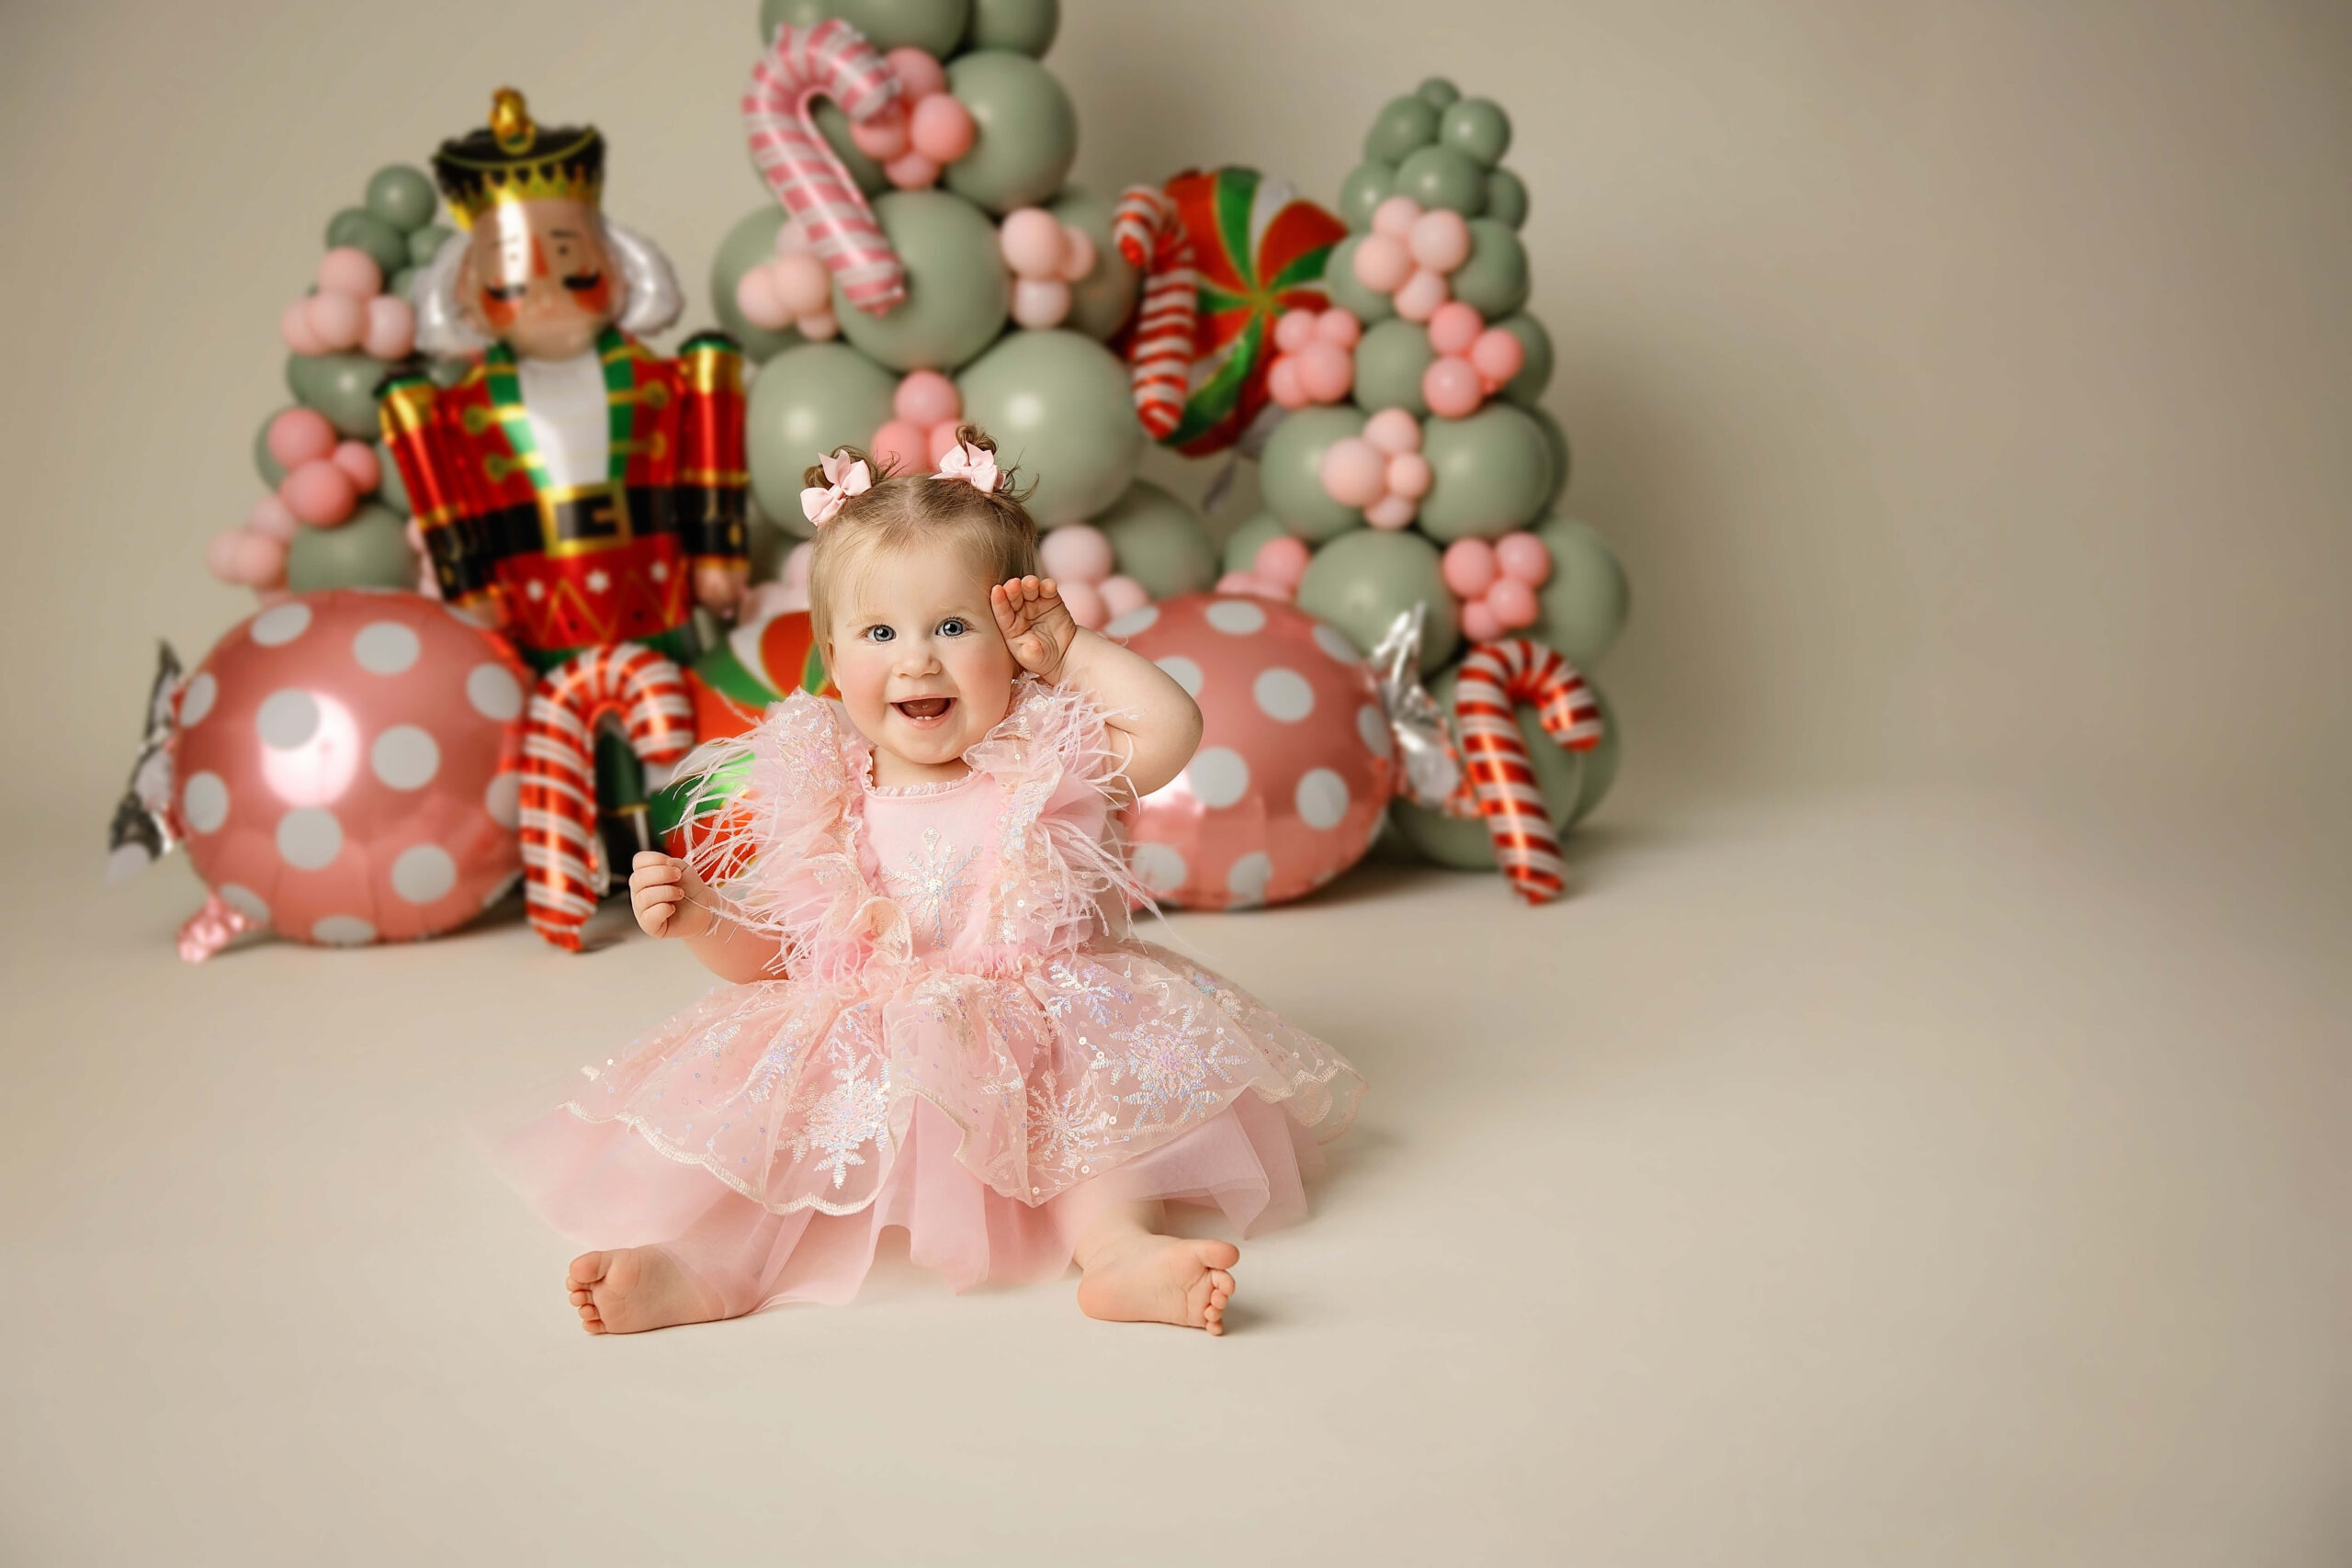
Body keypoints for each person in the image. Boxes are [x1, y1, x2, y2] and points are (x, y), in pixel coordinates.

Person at [496, 428, 1363, 1334]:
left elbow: (1170, 733)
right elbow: (773, 962)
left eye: (954, 627)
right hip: (876, 1040)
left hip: (1042, 1027)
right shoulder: (823, 792)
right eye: (880, 632)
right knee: (781, 1141)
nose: (917, 659)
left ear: (1015, 643)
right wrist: (702, 916)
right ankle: (708, 1268)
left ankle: (1120, 1252)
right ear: (833, 661)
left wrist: (1074, 655)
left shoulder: (1043, 763)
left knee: (1099, 1127)